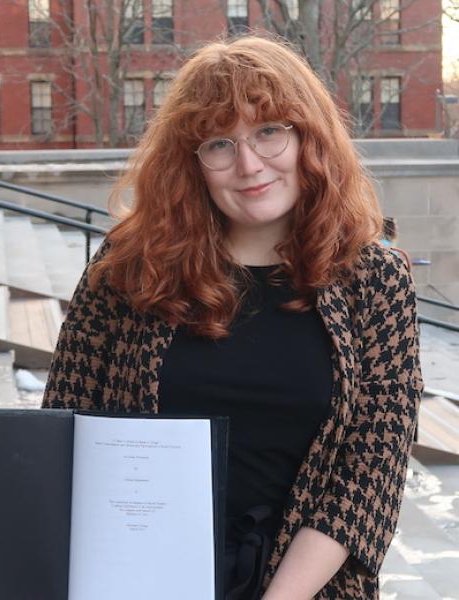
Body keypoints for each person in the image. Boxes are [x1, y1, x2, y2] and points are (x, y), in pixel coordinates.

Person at [42, 36, 422, 600]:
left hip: (305, 586)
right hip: (139, 581)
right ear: (191, 164)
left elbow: (371, 471)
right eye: (219, 143)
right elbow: (63, 430)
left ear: (308, 136)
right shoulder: (130, 269)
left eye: (269, 131)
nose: (248, 165)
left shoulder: (375, 280)